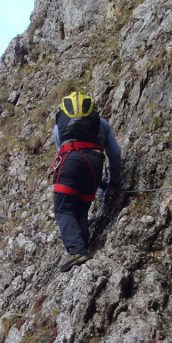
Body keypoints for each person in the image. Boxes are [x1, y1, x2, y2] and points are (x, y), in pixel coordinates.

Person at [51, 90, 121, 272]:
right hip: (94, 164)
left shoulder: (60, 126)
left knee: (64, 209)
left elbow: (61, 149)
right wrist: (114, 182)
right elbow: (115, 153)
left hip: (70, 162)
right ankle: (83, 246)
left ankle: (77, 250)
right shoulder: (101, 123)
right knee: (81, 208)